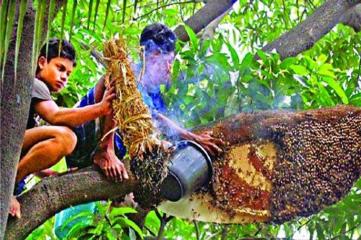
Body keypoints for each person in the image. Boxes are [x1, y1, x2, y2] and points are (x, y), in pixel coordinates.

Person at [53, 23, 223, 238]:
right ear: (153, 55)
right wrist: (107, 150)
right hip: (89, 142)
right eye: (168, 62)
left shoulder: (153, 94)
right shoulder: (127, 72)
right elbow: (121, 98)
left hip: (112, 158)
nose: (170, 68)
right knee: (118, 83)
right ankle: (104, 152)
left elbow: (159, 121)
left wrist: (191, 140)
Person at [9, 39, 116, 218]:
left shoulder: (34, 94)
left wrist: (52, 174)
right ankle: (7, 187)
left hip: (10, 150)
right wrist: (101, 108)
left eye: (68, 73)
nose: (64, 77)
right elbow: (56, 116)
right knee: (67, 138)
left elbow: (29, 156)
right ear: (42, 62)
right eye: (60, 68)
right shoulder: (34, 83)